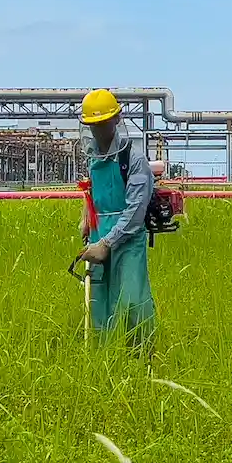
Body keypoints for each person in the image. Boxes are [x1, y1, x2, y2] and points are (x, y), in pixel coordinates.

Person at [78, 88, 156, 351]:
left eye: (102, 123)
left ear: (117, 120)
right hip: (99, 235)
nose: (98, 130)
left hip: (127, 241)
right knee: (100, 303)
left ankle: (142, 357)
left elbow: (135, 211)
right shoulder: (93, 159)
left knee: (133, 300)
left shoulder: (133, 160)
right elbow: (93, 193)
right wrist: (87, 220)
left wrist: (108, 243)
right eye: (93, 125)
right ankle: (103, 356)